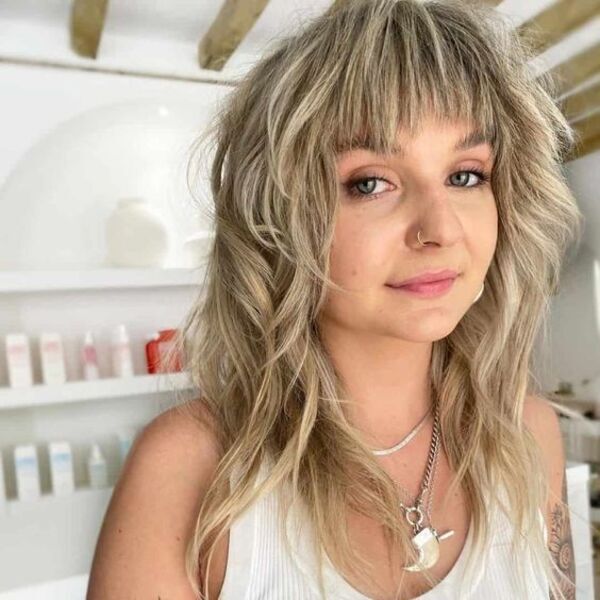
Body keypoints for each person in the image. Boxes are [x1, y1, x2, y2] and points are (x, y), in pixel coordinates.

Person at [86, 0, 585, 598]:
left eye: (465, 175)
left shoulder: (528, 435)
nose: (441, 229)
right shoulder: (189, 469)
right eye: (370, 182)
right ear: (278, 214)